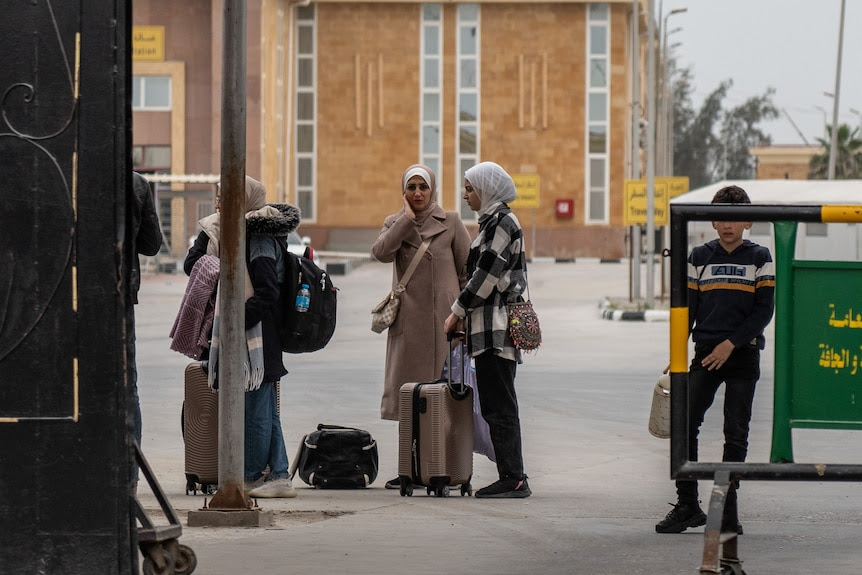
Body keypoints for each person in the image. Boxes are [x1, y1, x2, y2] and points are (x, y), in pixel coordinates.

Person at [655, 185, 775, 534]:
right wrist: (677, 350)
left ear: (748, 223)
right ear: (711, 221)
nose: (728, 225)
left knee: (735, 435)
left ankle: (727, 510)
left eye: (735, 219)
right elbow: (688, 309)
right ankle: (688, 504)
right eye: (721, 217)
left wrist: (731, 344)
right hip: (705, 356)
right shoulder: (698, 257)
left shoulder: (760, 257)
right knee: (684, 424)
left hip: (743, 355)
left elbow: (763, 310)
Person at [183, 176, 302, 498]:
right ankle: (278, 475)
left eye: (227, 195)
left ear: (245, 199)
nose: (221, 200)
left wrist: (236, 325)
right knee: (262, 406)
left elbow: (266, 291)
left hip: (257, 336)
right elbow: (192, 265)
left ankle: (251, 476)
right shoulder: (241, 231)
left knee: (256, 405)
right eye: (219, 194)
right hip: (257, 334)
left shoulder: (259, 237)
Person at [371, 164, 471, 489]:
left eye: (422, 187)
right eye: (411, 187)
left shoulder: (452, 222)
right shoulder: (394, 223)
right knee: (408, 399)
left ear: (433, 190)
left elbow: (466, 269)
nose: (417, 193)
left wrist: (463, 314)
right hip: (409, 325)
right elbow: (380, 253)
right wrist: (405, 220)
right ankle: (408, 470)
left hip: (446, 323)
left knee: (442, 400)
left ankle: (442, 467)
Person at [443, 161, 531, 499]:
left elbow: (486, 275)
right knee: (496, 404)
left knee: (500, 405)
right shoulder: (491, 222)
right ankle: (511, 474)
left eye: (470, 188)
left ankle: (514, 478)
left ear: (487, 189)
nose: (466, 195)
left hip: (497, 329)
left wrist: (457, 311)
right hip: (486, 329)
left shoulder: (503, 223)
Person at [128, 172, 163, 493]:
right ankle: (131, 477)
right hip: (120, 295)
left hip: (64, 295)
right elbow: (152, 245)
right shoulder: (136, 183)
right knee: (127, 385)